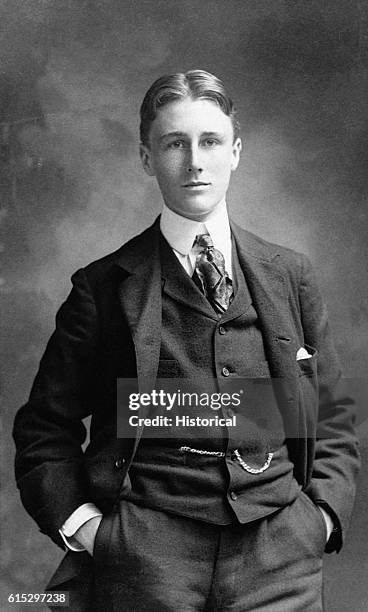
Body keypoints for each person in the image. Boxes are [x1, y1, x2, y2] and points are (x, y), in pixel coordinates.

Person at [13, 70, 360, 612]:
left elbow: (331, 415)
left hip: (280, 557)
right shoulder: (102, 288)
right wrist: (91, 532)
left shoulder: (290, 276)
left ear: (236, 152)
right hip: (145, 561)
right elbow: (43, 430)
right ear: (148, 159)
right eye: (175, 143)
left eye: (210, 141)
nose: (195, 161)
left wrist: (321, 518)